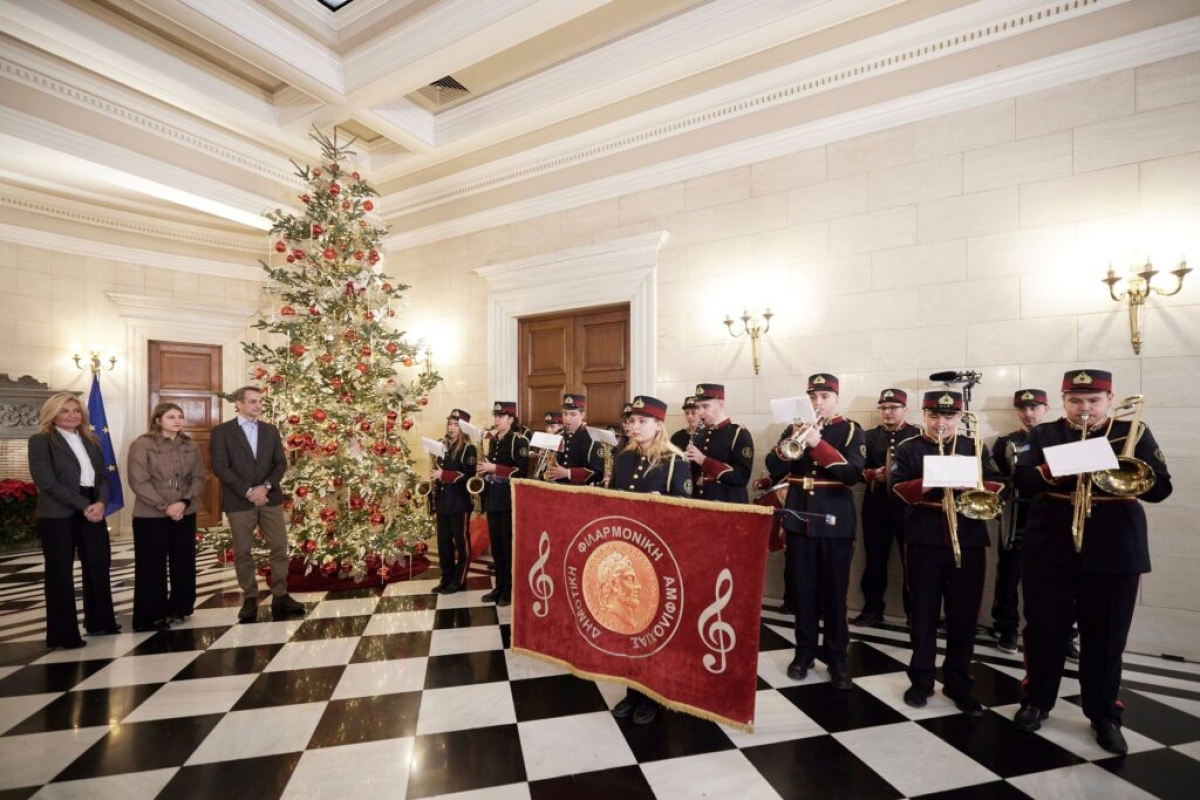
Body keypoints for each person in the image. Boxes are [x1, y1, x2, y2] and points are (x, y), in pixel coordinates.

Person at [1012, 370, 1172, 755]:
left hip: (1115, 547)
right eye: (1075, 400)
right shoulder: (1044, 433)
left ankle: (1103, 713)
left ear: (1109, 398)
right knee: (1044, 630)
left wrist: (1117, 467)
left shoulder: (1132, 430)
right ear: (1063, 400)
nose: (1084, 408)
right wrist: (1075, 460)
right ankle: (1037, 700)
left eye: (1093, 400)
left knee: (1106, 636)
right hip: (1050, 545)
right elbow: (1023, 480)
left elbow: (1161, 489)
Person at [892, 391, 1004, 715]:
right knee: (923, 613)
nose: (941, 423)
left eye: (949, 417)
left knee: (964, 615)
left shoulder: (974, 446)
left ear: (959, 417)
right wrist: (932, 481)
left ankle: (958, 683)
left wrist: (971, 484)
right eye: (934, 416)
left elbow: (998, 484)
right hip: (923, 537)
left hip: (968, 537)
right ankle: (921, 680)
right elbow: (897, 488)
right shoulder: (908, 446)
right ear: (924, 415)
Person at [765, 373, 863, 690]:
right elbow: (773, 465)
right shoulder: (794, 428)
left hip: (834, 522)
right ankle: (803, 653)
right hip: (799, 519)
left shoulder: (850, 430)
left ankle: (836, 659)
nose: (817, 403)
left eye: (823, 397)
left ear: (836, 398)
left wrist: (817, 445)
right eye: (812, 397)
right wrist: (789, 445)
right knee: (803, 593)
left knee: (834, 595)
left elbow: (851, 474)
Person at [608, 395, 691, 725]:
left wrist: (663, 503)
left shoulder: (674, 461)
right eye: (632, 420)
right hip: (627, 555)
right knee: (630, 626)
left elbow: (687, 510)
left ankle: (653, 695)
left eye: (643, 420)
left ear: (659, 424)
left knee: (654, 628)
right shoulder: (624, 458)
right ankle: (632, 691)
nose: (634, 426)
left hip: (658, 556)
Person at [28, 391, 119, 648]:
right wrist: (85, 506)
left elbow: (102, 477)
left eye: (76, 411)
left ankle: (101, 622)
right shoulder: (41, 441)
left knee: (98, 565)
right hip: (58, 514)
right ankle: (63, 635)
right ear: (52, 414)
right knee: (60, 574)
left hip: (93, 507)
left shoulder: (91, 441)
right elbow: (46, 482)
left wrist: (100, 503)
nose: (72, 415)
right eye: (65, 411)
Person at [210, 386, 305, 623]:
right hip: (239, 499)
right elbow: (220, 467)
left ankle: (280, 595)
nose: (258, 406)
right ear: (239, 404)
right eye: (252, 401)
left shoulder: (270, 430)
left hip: (270, 498)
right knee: (243, 550)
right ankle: (250, 597)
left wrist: (266, 487)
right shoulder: (222, 432)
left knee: (279, 547)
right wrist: (248, 490)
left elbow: (280, 464)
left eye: (260, 401)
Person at [127, 402, 207, 632]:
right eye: (171, 416)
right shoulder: (142, 444)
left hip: (185, 510)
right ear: (158, 420)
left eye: (180, 416)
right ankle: (151, 616)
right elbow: (138, 481)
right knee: (152, 565)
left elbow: (199, 478)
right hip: (151, 513)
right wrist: (165, 506)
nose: (177, 420)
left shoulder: (190, 445)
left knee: (183, 562)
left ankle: (180, 608)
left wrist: (183, 503)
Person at [989, 389, 1049, 654]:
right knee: (1009, 576)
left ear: (1046, 408)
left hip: (1051, 517)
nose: (1028, 414)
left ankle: (1063, 634)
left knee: (1054, 581)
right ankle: (1006, 628)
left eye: (1035, 408)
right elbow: (995, 478)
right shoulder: (1005, 441)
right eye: (1023, 409)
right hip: (1016, 516)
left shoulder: (1058, 439)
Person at [855, 388, 920, 627]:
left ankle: (915, 613)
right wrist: (872, 474)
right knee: (874, 560)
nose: (887, 412)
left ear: (905, 409)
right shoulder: (867, 436)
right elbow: (855, 469)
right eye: (883, 408)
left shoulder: (917, 435)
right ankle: (872, 609)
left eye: (893, 407)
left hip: (909, 508)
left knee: (911, 561)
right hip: (877, 506)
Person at [476, 401, 529, 607]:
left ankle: (509, 589)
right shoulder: (494, 440)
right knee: (497, 547)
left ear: (511, 419)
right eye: (495, 416)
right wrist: (485, 469)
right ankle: (498, 587)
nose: (496, 420)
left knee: (508, 547)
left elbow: (520, 471)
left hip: (508, 500)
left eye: (501, 416)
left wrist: (493, 467)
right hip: (493, 498)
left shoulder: (519, 441)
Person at [431, 409, 477, 595]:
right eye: (450, 424)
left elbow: (470, 476)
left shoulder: (468, 448)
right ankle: (446, 577)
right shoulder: (442, 446)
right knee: (443, 543)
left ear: (463, 428)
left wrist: (445, 474)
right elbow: (439, 471)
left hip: (459, 502)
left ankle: (458, 580)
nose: (451, 428)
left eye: (456, 425)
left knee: (461, 543)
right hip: (443, 501)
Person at [684, 383, 753, 504]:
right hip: (701, 501)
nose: (700, 412)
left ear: (721, 404)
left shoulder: (738, 433)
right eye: (698, 407)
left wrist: (704, 461)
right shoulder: (701, 433)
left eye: (705, 406)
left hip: (728, 503)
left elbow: (741, 478)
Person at [545, 394, 604, 485]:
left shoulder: (593, 438)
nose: (567, 419)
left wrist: (568, 473)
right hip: (556, 488)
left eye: (573, 414)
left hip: (579, 492)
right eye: (564, 414)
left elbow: (599, 473)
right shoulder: (558, 436)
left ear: (582, 415)